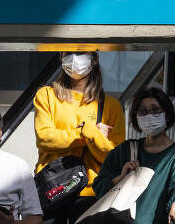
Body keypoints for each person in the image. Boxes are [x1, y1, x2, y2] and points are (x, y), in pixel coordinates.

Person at [34, 51, 126, 223]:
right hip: (54, 189)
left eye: (81, 52)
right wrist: (87, 134)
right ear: (61, 56)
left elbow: (113, 157)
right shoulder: (46, 95)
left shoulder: (111, 106)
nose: (75, 58)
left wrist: (88, 132)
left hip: (92, 194)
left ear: (95, 58)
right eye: (69, 53)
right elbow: (45, 139)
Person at [93, 87, 175, 224]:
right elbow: (99, 186)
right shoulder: (125, 151)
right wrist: (120, 178)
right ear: (136, 116)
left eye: (155, 110)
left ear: (167, 114)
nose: (149, 115)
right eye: (143, 111)